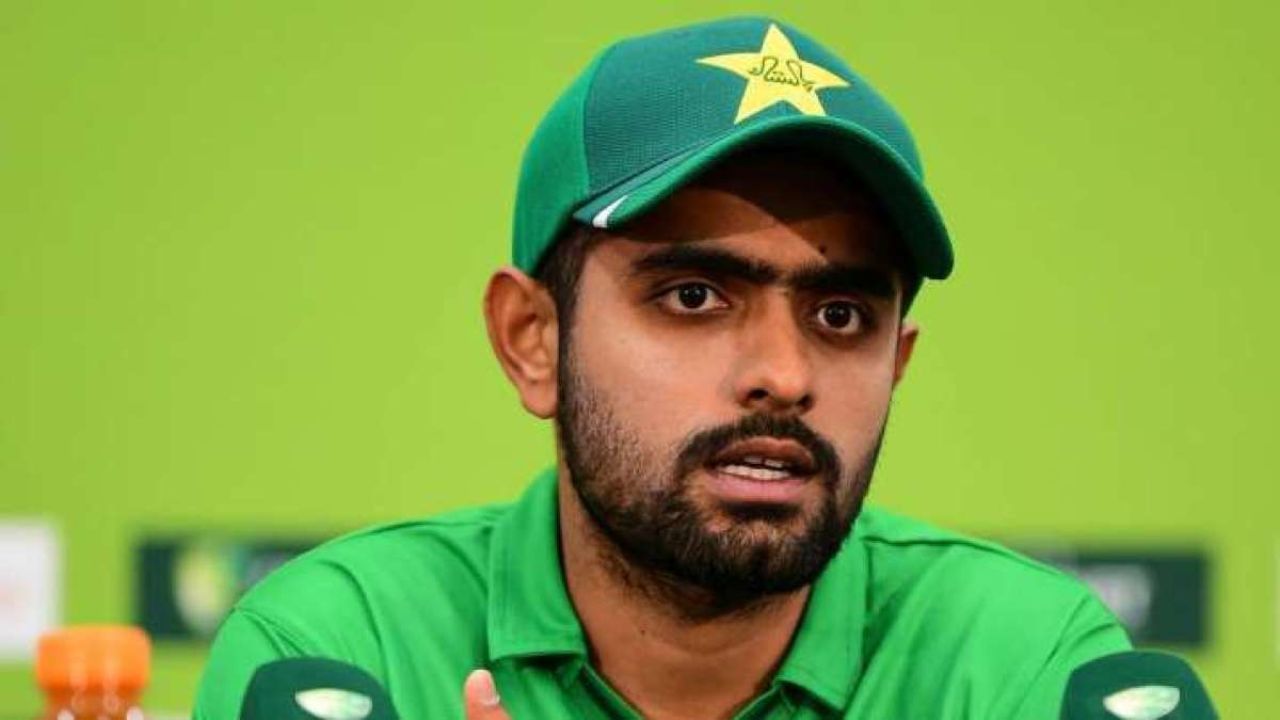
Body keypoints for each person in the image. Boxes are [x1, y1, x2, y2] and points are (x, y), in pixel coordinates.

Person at [194, 16, 1131, 719]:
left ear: (897, 365)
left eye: (841, 315)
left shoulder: (1028, 667)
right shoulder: (338, 651)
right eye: (693, 296)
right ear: (532, 339)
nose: (783, 375)